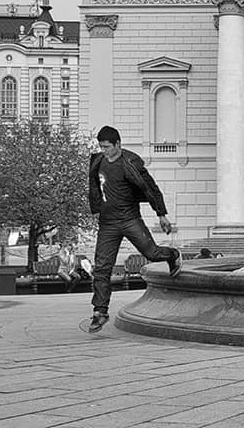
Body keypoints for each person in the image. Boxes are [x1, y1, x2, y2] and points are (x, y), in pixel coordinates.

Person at [87, 125, 181, 332]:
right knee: (101, 268)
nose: (104, 151)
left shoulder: (131, 162)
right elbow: (94, 185)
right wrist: (96, 209)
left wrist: (161, 214)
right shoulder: (97, 161)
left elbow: (150, 187)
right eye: (101, 147)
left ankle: (172, 255)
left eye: (107, 147)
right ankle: (99, 311)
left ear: (118, 144)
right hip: (108, 223)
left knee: (152, 253)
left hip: (130, 219)